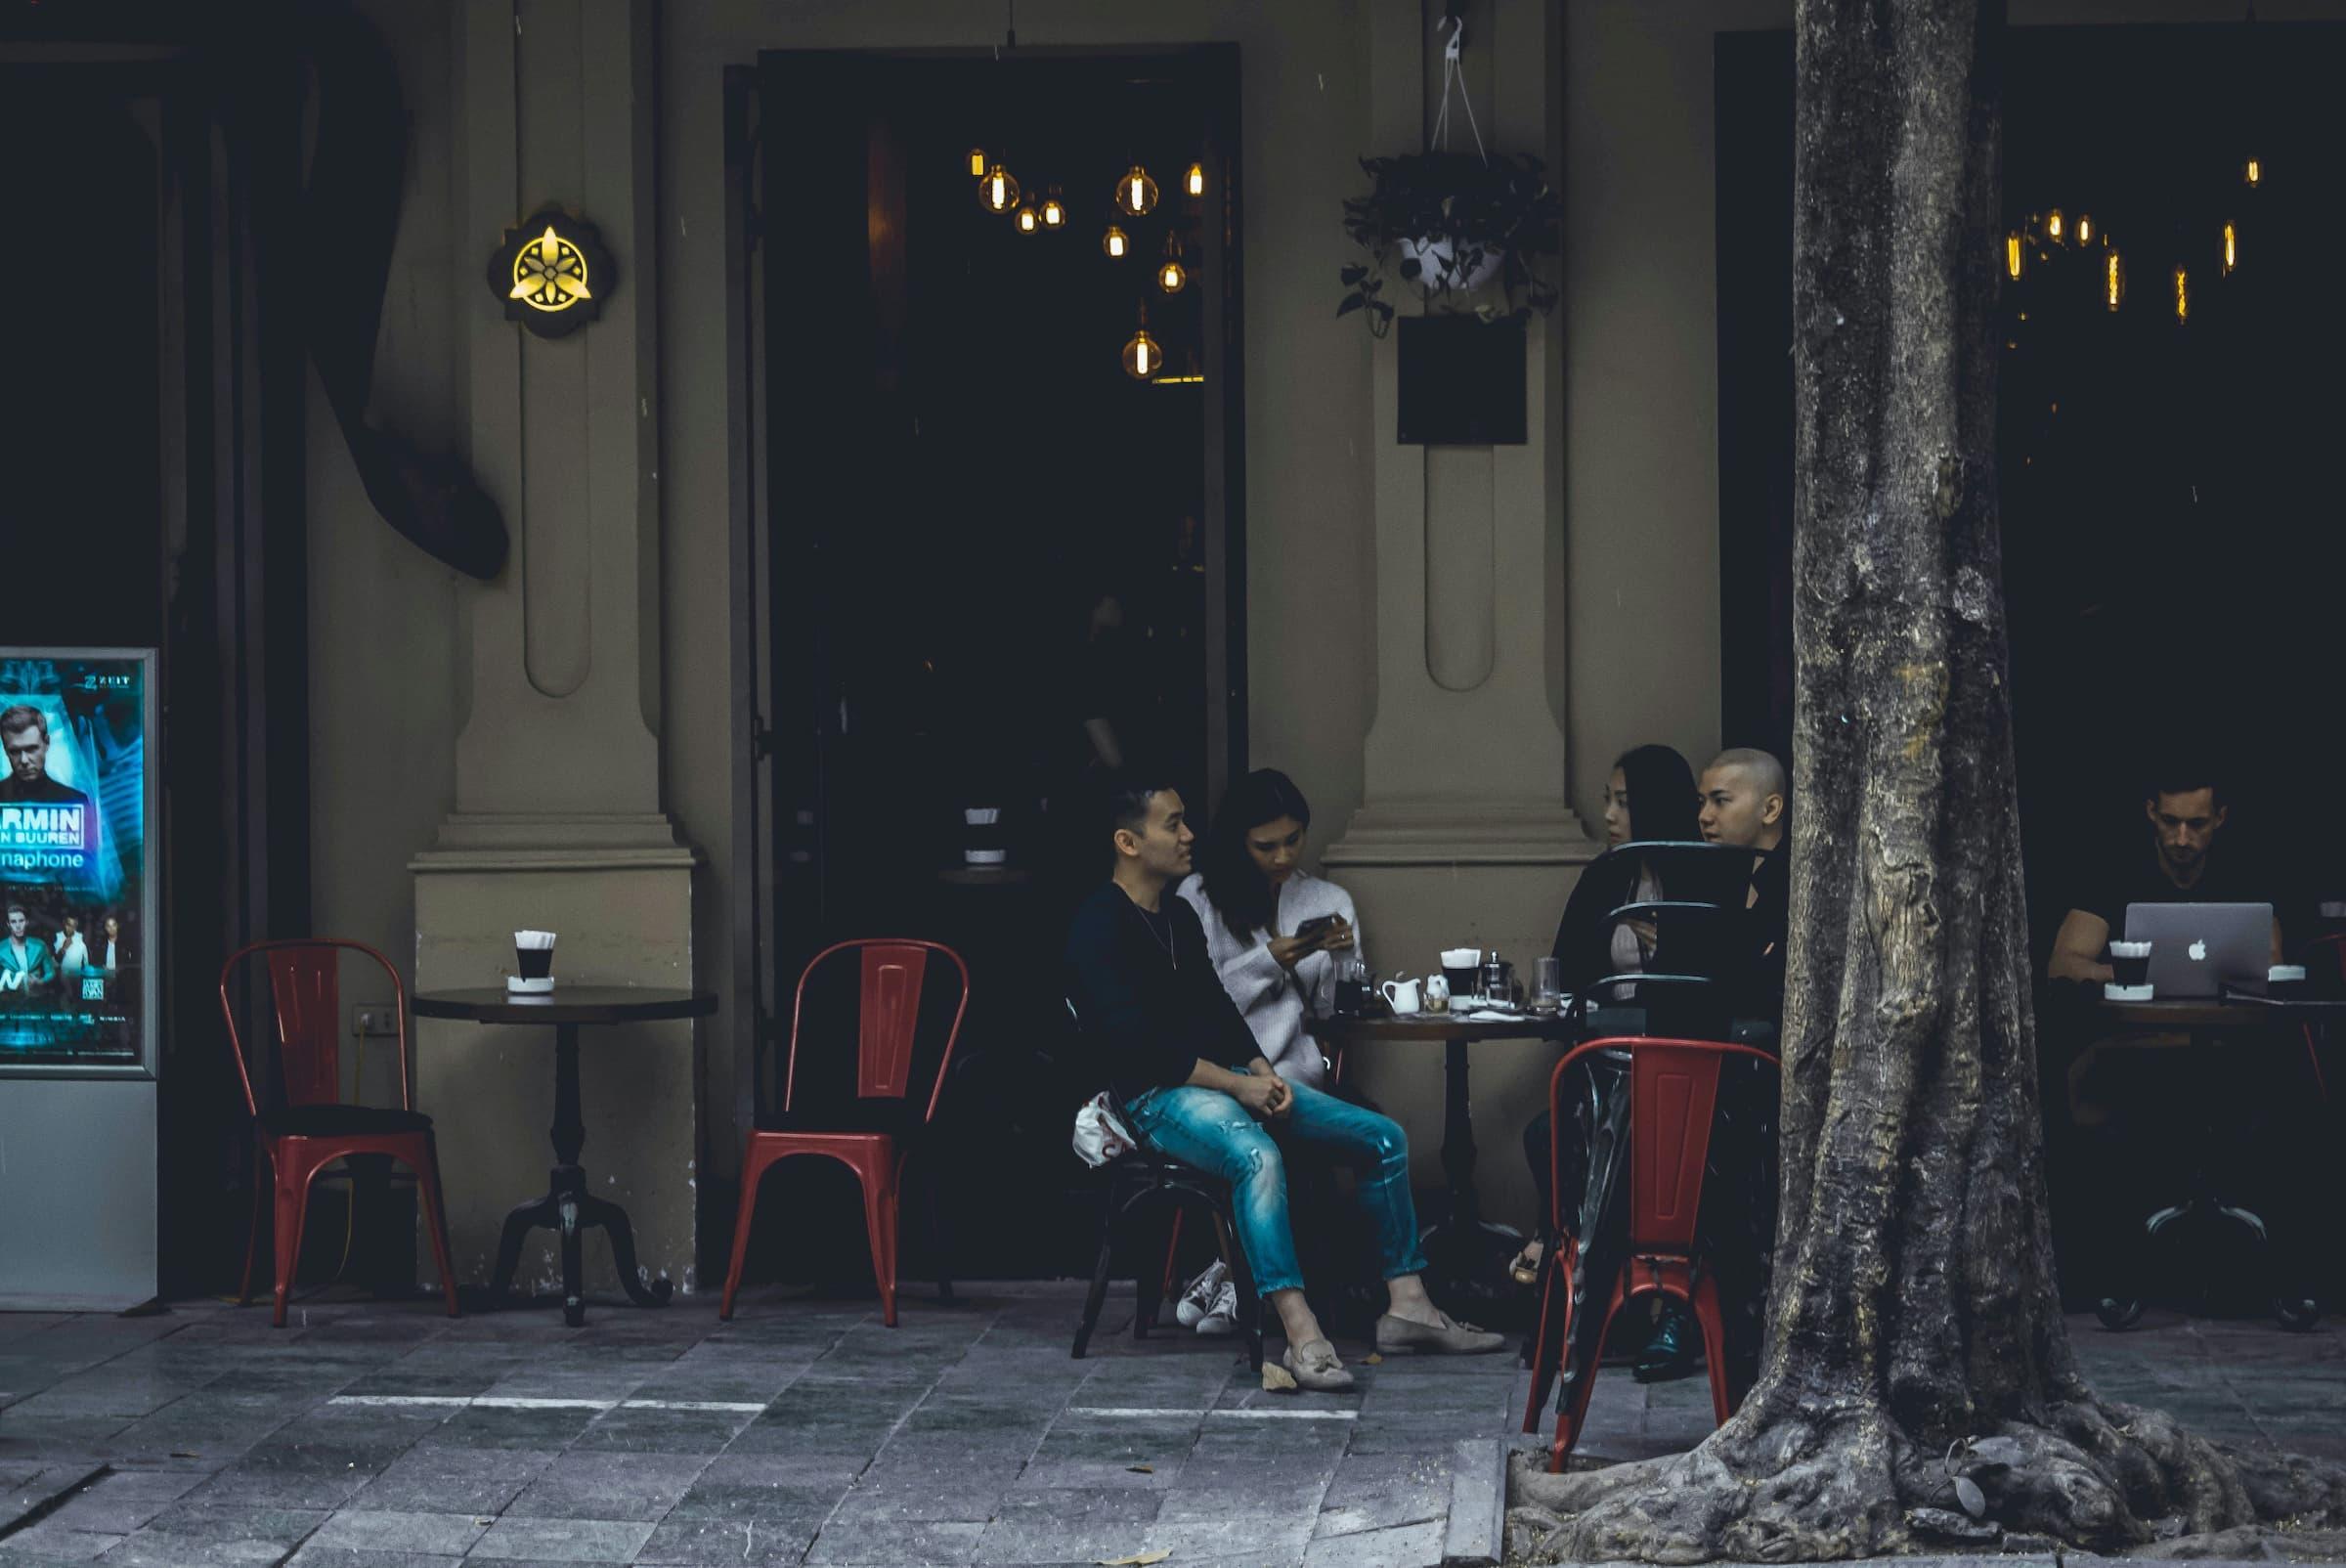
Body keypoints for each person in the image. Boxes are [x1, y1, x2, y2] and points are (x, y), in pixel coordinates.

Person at [1064, 772, 1502, 1390]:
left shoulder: (1177, 919)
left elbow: (1216, 1009)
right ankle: (1302, 1335)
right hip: (1153, 1099)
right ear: (1128, 843)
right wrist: (1239, 1085)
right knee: (1257, 1155)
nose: (1189, 834)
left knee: (1381, 1138)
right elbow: (1139, 1047)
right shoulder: (1098, 925)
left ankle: (1409, 1307)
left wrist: (1263, 1072)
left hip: (1220, 1080)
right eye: (1173, 824)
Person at [1515, 744, 1706, 1371]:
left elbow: (1713, 980)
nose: (1611, 813)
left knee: (1671, 1154)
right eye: (1607, 799)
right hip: (1606, 1062)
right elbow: (1567, 965)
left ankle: (1671, 1309)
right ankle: (1594, 1294)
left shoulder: (1701, 877)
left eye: (1623, 800)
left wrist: (1667, 945)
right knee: (1549, 1133)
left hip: (1681, 1066)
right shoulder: (1606, 876)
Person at [1176, 768, 1359, 1094]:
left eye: (1293, 839)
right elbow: (1196, 1007)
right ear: (1239, 842)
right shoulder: (1199, 896)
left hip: (1299, 1079)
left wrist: (1342, 960)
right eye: (1265, 846)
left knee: (1381, 1134)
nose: (1283, 857)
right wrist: (1268, 961)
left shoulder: (1329, 900)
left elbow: (1339, 1017)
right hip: (1221, 1082)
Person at [2046, 768, 2280, 984]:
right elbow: (2062, 965)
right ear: (2151, 812)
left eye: (2197, 824)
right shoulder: (2112, 872)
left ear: (2220, 817)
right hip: (2135, 1026)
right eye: (2170, 821)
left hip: (2226, 1026)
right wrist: (2133, 974)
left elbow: (2274, 963)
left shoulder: (2245, 875)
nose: (2182, 839)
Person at [0, 706, 93, 810]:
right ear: (5, 750)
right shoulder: (75, 801)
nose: (24, 760)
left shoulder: (76, 801)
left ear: (47, 742)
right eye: (15, 751)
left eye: (31, 749)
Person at [1, 903, 58, 1007]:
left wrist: (40, 981)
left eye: (21, 921)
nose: (18, 926)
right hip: (9, 1001)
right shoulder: (1, 949)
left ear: (27, 922)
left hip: (37, 999)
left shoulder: (39, 946)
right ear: (8, 924)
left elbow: (50, 972)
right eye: (13, 922)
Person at [55, 914, 88, 982]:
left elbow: (86, 959)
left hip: (78, 976)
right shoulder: (57, 937)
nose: (70, 929)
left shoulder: (81, 937)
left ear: (76, 926)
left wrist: (86, 973)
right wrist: (64, 948)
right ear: (64, 923)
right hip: (63, 977)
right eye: (68, 925)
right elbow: (55, 962)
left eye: (74, 926)